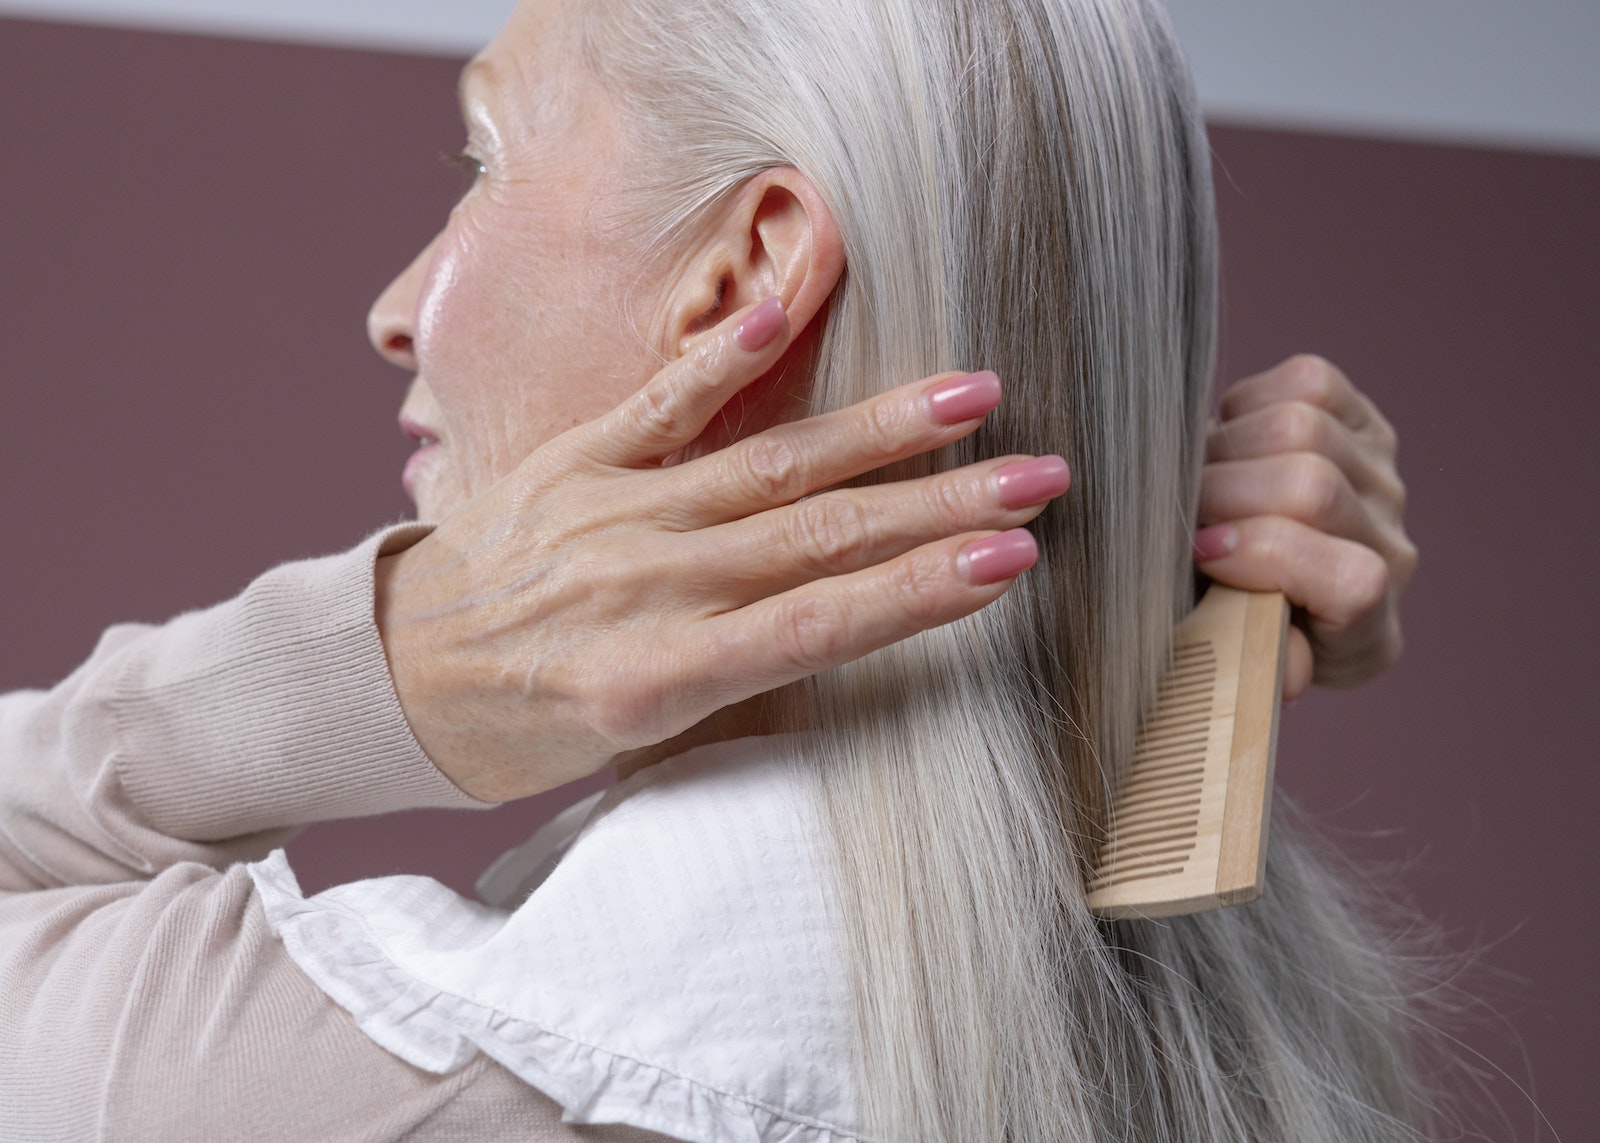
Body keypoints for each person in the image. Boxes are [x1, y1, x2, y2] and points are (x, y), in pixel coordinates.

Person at [0, 0, 1419, 1139]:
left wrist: (390, 660)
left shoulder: (354, 1082)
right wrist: (1139, 582)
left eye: (481, 162)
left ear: (745, 278)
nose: (393, 312)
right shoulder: (1271, 1043)